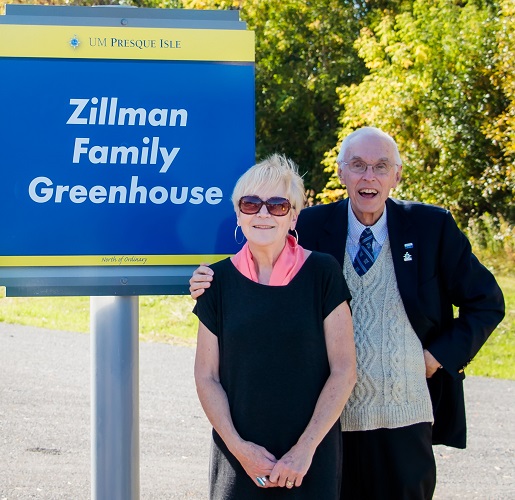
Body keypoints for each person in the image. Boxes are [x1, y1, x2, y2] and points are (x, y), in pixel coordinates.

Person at [190, 127, 505, 499]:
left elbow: (486, 302)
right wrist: (206, 280)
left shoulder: (430, 227)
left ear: (397, 175)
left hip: (400, 415)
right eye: (357, 165)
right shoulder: (308, 225)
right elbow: (257, 256)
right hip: (328, 422)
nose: (369, 177)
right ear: (341, 173)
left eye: (381, 166)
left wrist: (436, 358)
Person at [192, 153, 357, 499]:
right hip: (238, 462)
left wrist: (304, 451)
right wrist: (240, 449)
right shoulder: (215, 281)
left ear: (294, 215)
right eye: (251, 204)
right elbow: (206, 376)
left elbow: (344, 370)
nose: (263, 214)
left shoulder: (322, 273)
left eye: (278, 205)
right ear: (238, 213)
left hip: (308, 462)